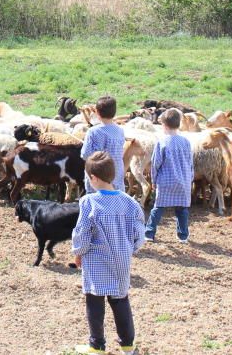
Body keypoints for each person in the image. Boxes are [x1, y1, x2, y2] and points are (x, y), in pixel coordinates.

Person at [72, 151, 144, 355]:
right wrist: (130, 248)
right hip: (121, 260)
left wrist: (78, 253)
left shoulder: (89, 202)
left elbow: (82, 232)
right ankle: (128, 347)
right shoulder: (129, 202)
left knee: (94, 301)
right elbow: (139, 232)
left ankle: (96, 346)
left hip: (96, 262)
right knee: (120, 300)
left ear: (93, 178)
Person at [144, 108, 193, 243]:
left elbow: (156, 163)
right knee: (182, 210)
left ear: (164, 125)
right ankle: (183, 236)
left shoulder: (162, 142)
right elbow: (190, 163)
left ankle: (149, 233)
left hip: (166, 181)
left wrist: (153, 180)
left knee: (158, 207)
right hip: (183, 181)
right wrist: (190, 179)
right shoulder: (186, 142)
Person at [80, 96, 126, 194]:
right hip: (116, 174)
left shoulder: (93, 131)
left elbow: (85, 154)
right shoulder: (120, 131)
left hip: (98, 177)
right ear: (114, 112)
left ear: (97, 112)